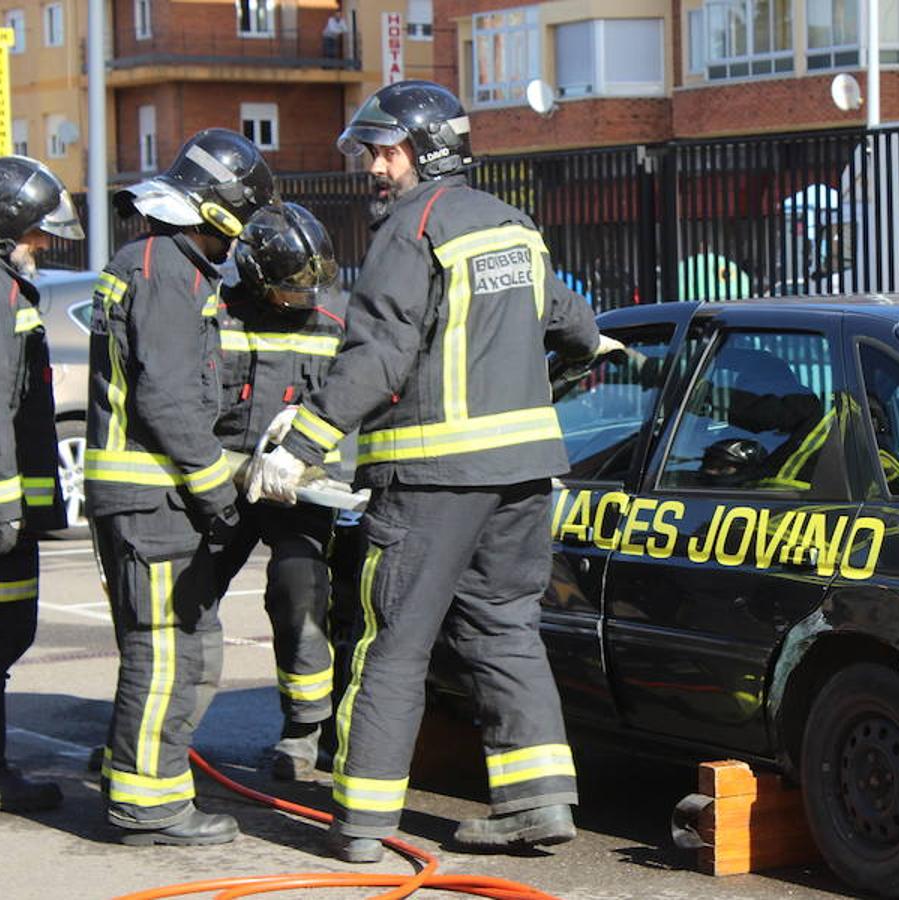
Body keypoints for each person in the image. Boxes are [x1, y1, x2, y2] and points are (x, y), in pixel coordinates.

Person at [243, 80, 606, 864]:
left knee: (391, 641)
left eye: (384, 149)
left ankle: (363, 821)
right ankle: (537, 802)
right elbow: (575, 326)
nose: (372, 165)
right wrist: (580, 357)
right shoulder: (514, 225)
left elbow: (377, 356)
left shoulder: (413, 230)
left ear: (425, 149)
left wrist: (298, 447)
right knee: (506, 628)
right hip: (522, 477)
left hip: (432, 476)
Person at [87, 128, 276, 846]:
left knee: (166, 642)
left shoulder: (147, 259)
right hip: (152, 497)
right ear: (220, 210)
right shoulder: (171, 271)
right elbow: (167, 399)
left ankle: (135, 779)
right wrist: (218, 493)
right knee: (166, 649)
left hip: (137, 496)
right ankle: (149, 805)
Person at [212, 202, 347, 781]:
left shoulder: (333, 325)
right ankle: (149, 735)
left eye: (309, 287)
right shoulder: (214, 317)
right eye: (290, 289)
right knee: (179, 604)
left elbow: (351, 416)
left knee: (299, 590)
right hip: (218, 481)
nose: (301, 298)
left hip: (299, 490)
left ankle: (304, 730)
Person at [0, 156, 81, 812]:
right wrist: (3, 500)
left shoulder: (5, 286)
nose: (44, 245)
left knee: (6, 635)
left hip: (13, 500)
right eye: (35, 233)